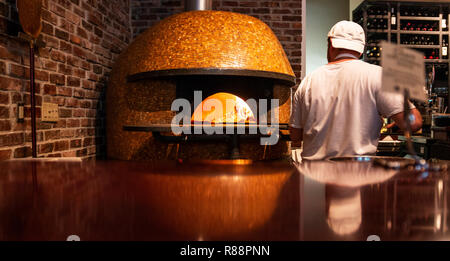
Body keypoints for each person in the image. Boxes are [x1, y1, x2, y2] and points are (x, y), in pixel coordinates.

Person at [290, 20, 422, 161]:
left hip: (313, 176)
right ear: (360, 50)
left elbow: (295, 135)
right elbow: (413, 123)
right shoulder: (379, 76)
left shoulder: (308, 81)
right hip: (357, 174)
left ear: (330, 45)